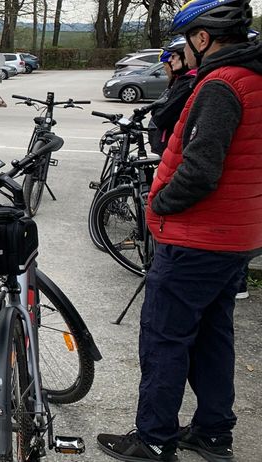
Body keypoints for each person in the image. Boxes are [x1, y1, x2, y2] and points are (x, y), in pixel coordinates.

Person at [97, 1, 261, 461]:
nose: (183, 51)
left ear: (203, 39)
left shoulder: (221, 84)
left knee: (164, 338)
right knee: (213, 335)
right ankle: (213, 434)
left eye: (187, 42)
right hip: (236, 235)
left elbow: (201, 169)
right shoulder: (255, 78)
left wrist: (159, 204)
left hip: (196, 238)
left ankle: (153, 439)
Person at [149, 36, 197, 155]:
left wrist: (158, 110)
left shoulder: (188, 83)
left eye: (174, 56)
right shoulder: (181, 81)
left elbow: (161, 117)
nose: (171, 60)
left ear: (185, 58)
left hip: (174, 146)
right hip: (169, 145)